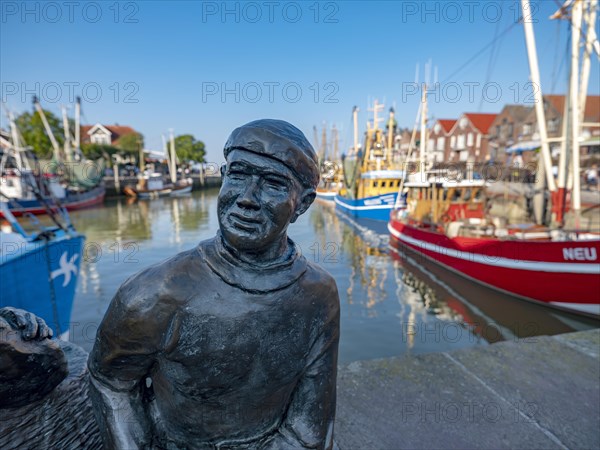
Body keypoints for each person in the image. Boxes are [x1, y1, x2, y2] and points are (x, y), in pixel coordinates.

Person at [88, 119, 340, 450]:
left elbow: (310, 425)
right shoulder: (157, 292)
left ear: (303, 204)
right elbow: (111, 383)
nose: (247, 198)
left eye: (274, 183)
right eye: (238, 175)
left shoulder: (319, 294)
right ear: (223, 178)